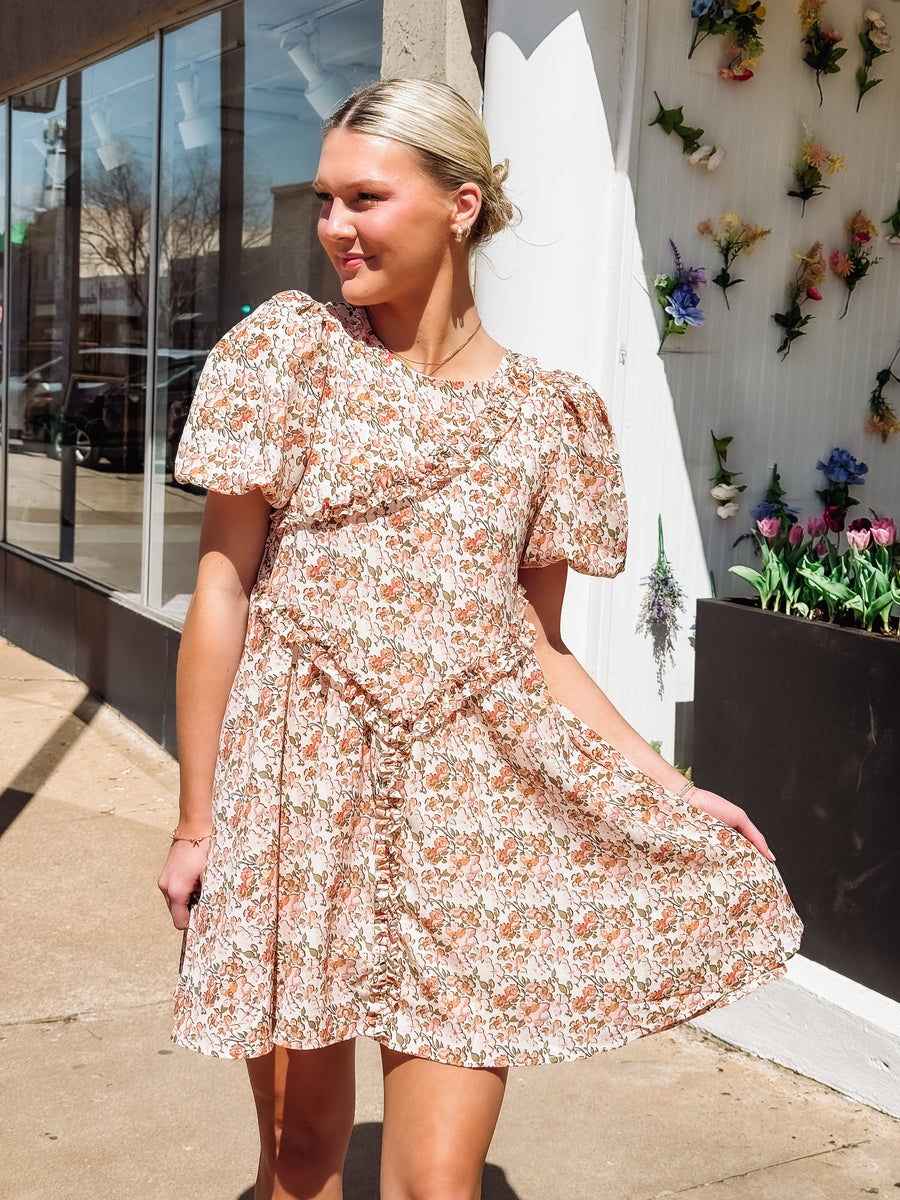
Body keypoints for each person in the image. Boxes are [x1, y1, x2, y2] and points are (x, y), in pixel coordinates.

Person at [158, 77, 801, 1200]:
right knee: (301, 1164)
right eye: (325, 200)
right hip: (297, 793)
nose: (334, 228)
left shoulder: (551, 414)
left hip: (474, 817)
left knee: (434, 1186)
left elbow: (537, 648)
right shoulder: (287, 359)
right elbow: (223, 590)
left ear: (460, 204)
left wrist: (666, 783)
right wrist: (198, 820)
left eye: (365, 197)